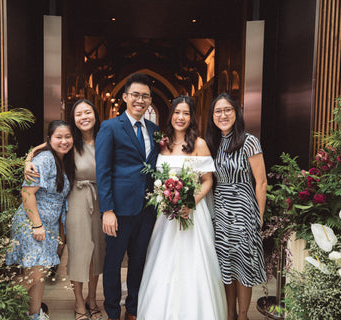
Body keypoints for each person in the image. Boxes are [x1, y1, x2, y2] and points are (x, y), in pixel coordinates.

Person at [137, 95, 227, 320]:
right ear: (171, 115)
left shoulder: (199, 143)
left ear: (192, 117)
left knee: (193, 264)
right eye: (177, 112)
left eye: (186, 113)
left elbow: (207, 180)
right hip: (166, 216)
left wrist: (190, 203)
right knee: (163, 262)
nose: (181, 117)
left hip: (193, 214)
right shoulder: (163, 143)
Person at [25, 100, 106, 320]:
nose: (84, 117)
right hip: (77, 199)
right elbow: (45, 148)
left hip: (101, 199)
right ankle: (79, 302)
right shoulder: (70, 141)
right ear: (73, 119)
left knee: (97, 252)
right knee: (80, 251)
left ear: (95, 115)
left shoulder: (105, 138)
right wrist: (28, 160)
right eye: (79, 114)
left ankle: (92, 299)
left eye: (88, 112)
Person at [95, 73, 160, 320]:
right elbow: (103, 171)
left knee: (139, 261)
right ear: (125, 97)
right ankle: (112, 312)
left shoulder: (154, 130)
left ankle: (133, 309)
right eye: (135, 95)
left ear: (150, 100)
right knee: (112, 264)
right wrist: (107, 210)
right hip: (119, 210)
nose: (140, 100)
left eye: (145, 96)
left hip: (147, 209)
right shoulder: (110, 127)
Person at [205, 93, 267, 320]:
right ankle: (228, 314)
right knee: (226, 267)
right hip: (220, 211)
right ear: (212, 116)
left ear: (236, 112)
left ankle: (242, 316)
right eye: (217, 111)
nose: (223, 115)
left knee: (243, 267)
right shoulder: (211, 143)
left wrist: (259, 216)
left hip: (243, 211)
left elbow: (261, 182)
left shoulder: (249, 141)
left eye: (227, 110)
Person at [6, 120, 75, 320]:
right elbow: (27, 193)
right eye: (58, 137)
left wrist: (32, 153)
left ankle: (34, 314)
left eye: (67, 136)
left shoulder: (62, 159)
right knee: (33, 274)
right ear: (50, 139)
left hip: (49, 226)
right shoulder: (45, 160)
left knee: (40, 272)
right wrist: (37, 225)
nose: (64, 141)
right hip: (33, 223)